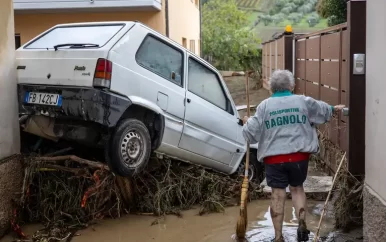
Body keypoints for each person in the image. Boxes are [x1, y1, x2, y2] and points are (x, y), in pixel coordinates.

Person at [242, 69, 345, 242]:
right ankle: (302, 223)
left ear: (272, 88)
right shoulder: (302, 101)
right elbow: (323, 110)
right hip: (299, 157)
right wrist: (334, 109)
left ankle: (278, 237)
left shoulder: (264, 107)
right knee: (297, 189)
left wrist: (246, 122)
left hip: (274, 159)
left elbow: (250, 133)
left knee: (277, 194)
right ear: (291, 85)